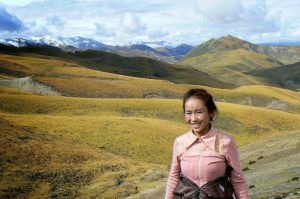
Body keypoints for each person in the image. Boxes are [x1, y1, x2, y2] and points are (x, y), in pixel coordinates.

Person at [165, 88, 249, 199]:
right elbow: (173, 178)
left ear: (211, 113)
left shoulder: (226, 142)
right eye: (188, 113)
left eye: (199, 112)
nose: (193, 119)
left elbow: (237, 180)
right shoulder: (180, 142)